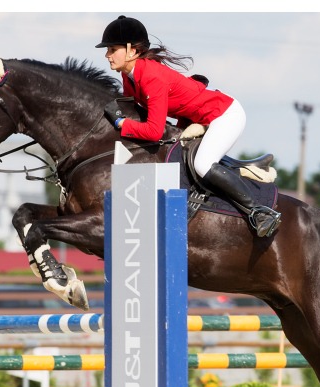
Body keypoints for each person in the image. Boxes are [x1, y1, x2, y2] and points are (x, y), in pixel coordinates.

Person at [96, 15, 281, 237]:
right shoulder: (129, 77)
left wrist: (122, 124)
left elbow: (153, 130)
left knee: (203, 164)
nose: (107, 55)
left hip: (225, 115)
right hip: (196, 118)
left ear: (131, 51)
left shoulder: (150, 77)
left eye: (112, 49)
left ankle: (260, 212)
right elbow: (137, 114)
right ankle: (244, 169)